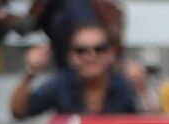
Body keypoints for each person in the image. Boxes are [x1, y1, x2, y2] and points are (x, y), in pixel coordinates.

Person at [20, 0, 126, 74]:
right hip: (61, 13)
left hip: (96, 12)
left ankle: (72, 65)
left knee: (69, 2)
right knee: (62, 11)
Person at [9, 29, 140, 117]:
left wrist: (142, 90)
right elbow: (19, 111)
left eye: (99, 49)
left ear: (111, 54)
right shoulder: (61, 83)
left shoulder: (124, 84)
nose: (90, 56)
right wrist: (30, 72)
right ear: (71, 56)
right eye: (81, 50)